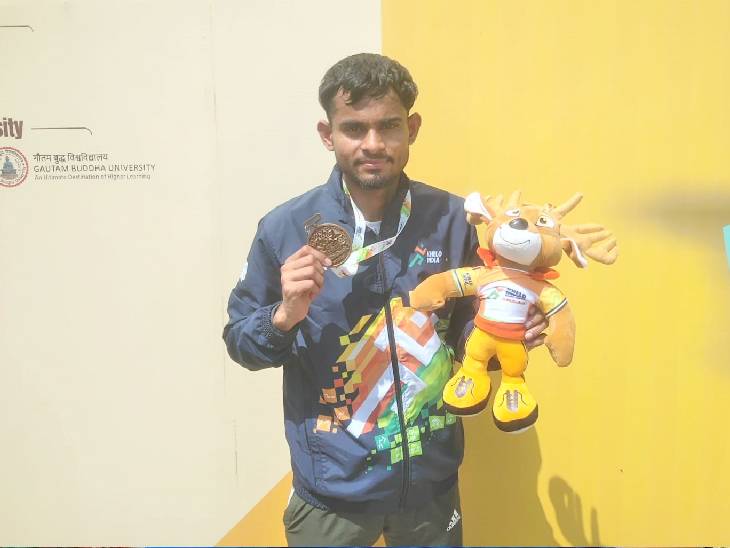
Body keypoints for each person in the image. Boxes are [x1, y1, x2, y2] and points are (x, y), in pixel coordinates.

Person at [223, 53, 547, 547]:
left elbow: (467, 332)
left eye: (388, 126)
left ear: (411, 129)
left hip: (431, 488)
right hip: (331, 494)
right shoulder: (284, 229)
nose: (373, 144)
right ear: (327, 134)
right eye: (354, 128)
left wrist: (506, 335)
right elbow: (240, 342)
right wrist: (284, 315)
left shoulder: (452, 219)